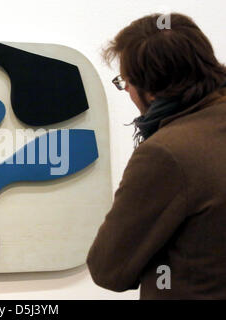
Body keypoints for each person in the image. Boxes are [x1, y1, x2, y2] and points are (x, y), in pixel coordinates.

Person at [86, 12, 226, 299]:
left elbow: (109, 268)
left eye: (125, 82)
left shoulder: (167, 154)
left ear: (150, 92)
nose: (127, 91)